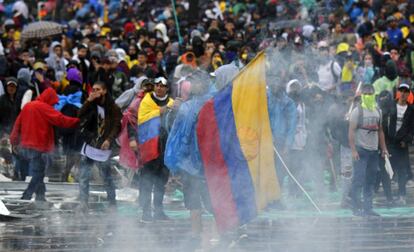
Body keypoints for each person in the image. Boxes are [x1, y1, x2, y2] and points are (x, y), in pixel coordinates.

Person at [10, 88, 79, 201]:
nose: (54, 104)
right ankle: (26, 196)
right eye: (53, 102)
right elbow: (60, 120)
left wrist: (13, 142)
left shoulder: (28, 106)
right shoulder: (44, 108)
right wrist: (78, 121)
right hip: (38, 146)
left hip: (26, 146)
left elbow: (17, 125)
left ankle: (40, 197)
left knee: (39, 172)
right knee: (38, 174)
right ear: (49, 99)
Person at [78, 81, 122, 212]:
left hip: (103, 145)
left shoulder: (113, 107)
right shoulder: (91, 105)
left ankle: (112, 203)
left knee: (106, 175)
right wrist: (88, 101)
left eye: (98, 89)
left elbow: (116, 126)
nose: (95, 92)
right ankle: (83, 203)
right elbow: (79, 116)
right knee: (84, 175)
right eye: (93, 89)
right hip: (90, 144)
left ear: (104, 91)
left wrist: (109, 140)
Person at [137, 76, 175, 222]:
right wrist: (159, 111)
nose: (159, 88)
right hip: (149, 146)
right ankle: (145, 211)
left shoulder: (171, 103)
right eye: (157, 85)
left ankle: (159, 210)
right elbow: (142, 119)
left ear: (166, 88)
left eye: (162, 86)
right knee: (146, 180)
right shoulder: (146, 101)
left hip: (164, 147)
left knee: (161, 181)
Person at [348, 84, 388, 216]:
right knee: (358, 179)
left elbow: (380, 131)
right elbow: (351, 132)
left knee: (370, 180)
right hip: (361, 150)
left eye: (371, 94)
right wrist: (353, 150)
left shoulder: (378, 111)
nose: (369, 96)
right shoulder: (357, 112)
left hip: (373, 151)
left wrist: (384, 149)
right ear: (362, 96)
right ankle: (355, 207)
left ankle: (368, 208)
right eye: (366, 94)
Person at [381, 83, 414, 205]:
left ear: (409, 93)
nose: (404, 93)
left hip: (401, 145)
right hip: (390, 143)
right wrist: (383, 143)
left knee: (402, 171)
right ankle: (389, 197)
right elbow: (383, 124)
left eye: (406, 91)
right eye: (402, 90)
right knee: (387, 171)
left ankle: (402, 195)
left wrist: (406, 141)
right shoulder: (390, 106)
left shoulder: (411, 109)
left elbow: (412, 130)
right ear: (398, 92)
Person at [0, 78, 21, 179]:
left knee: (15, 155)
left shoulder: (18, 100)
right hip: (4, 133)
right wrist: (2, 133)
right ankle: (6, 177)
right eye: (9, 86)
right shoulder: (1, 100)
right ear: (6, 87)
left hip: (15, 133)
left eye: (13, 86)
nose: (11, 88)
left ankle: (14, 176)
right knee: (5, 156)